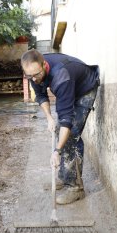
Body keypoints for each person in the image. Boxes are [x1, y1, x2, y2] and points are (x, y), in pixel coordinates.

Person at [21, 49, 100, 204]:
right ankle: (65, 177)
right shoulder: (32, 71)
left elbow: (66, 120)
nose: (34, 79)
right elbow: (41, 95)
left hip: (85, 89)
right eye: (30, 76)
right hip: (72, 86)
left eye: (37, 74)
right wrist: (49, 118)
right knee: (60, 131)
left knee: (71, 136)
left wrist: (57, 151)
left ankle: (75, 187)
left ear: (44, 65)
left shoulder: (61, 76)